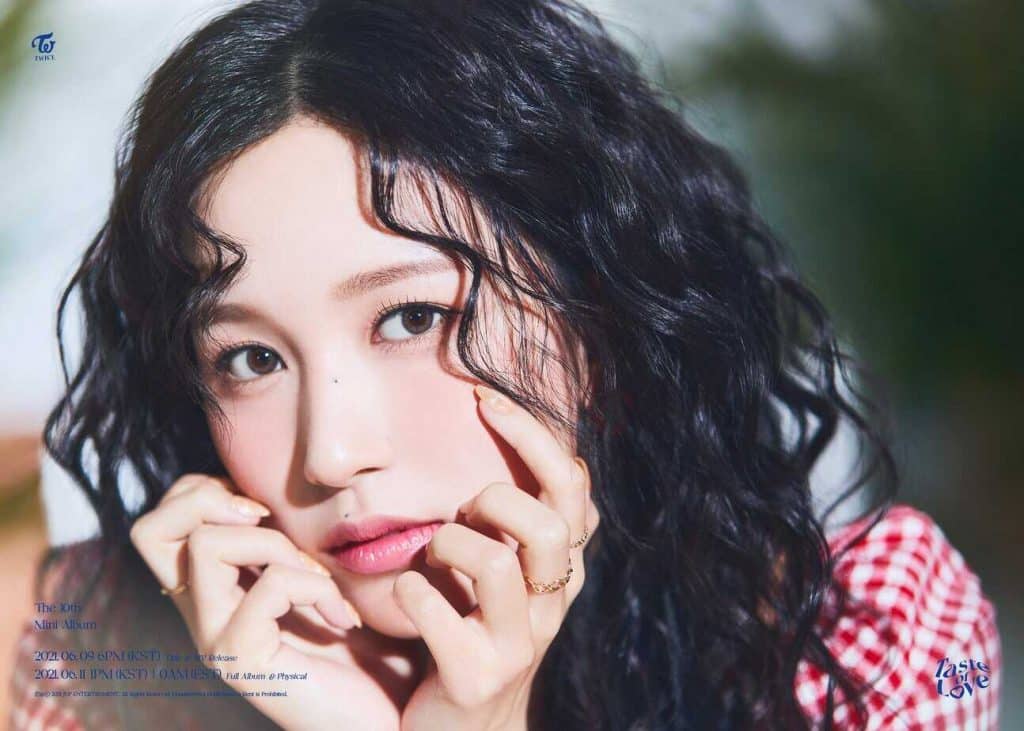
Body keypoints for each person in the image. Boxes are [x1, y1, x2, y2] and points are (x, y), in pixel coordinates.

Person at [9, 1, 1001, 729]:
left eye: (411, 316)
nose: (334, 452)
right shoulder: (101, 650)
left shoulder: (874, 641)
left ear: (600, 311)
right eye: (252, 356)